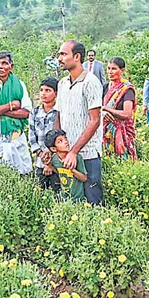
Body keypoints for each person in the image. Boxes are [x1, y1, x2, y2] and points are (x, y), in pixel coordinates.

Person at [55, 40, 104, 205]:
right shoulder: (62, 83)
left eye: (64, 54)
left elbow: (95, 120)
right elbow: (58, 115)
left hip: (87, 154)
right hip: (67, 154)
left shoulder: (91, 82)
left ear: (76, 57)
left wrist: (74, 151)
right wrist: (56, 146)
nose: (59, 58)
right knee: (71, 198)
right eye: (59, 54)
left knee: (92, 199)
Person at [29, 78, 61, 192]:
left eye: (48, 90)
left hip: (56, 162)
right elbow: (32, 137)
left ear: (55, 94)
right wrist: (41, 155)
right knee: (40, 192)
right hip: (39, 161)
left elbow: (59, 137)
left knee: (57, 192)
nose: (43, 93)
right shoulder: (34, 112)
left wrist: (49, 162)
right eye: (41, 90)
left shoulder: (59, 112)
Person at [102, 57, 137, 160]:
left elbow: (127, 114)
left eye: (114, 69)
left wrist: (107, 109)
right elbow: (97, 108)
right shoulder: (105, 87)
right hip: (106, 130)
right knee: (108, 158)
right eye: (108, 68)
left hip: (123, 131)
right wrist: (103, 112)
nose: (110, 72)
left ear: (122, 70)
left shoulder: (127, 89)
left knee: (124, 158)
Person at [45, 129, 88, 202]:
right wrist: (49, 165)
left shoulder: (77, 158)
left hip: (77, 198)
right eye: (60, 141)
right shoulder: (54, 158)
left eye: (65, 138)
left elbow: (84, 178)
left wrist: (71, 169)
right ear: (53, 149)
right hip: (64, 197)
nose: (66, 142)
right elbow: (59, 171)